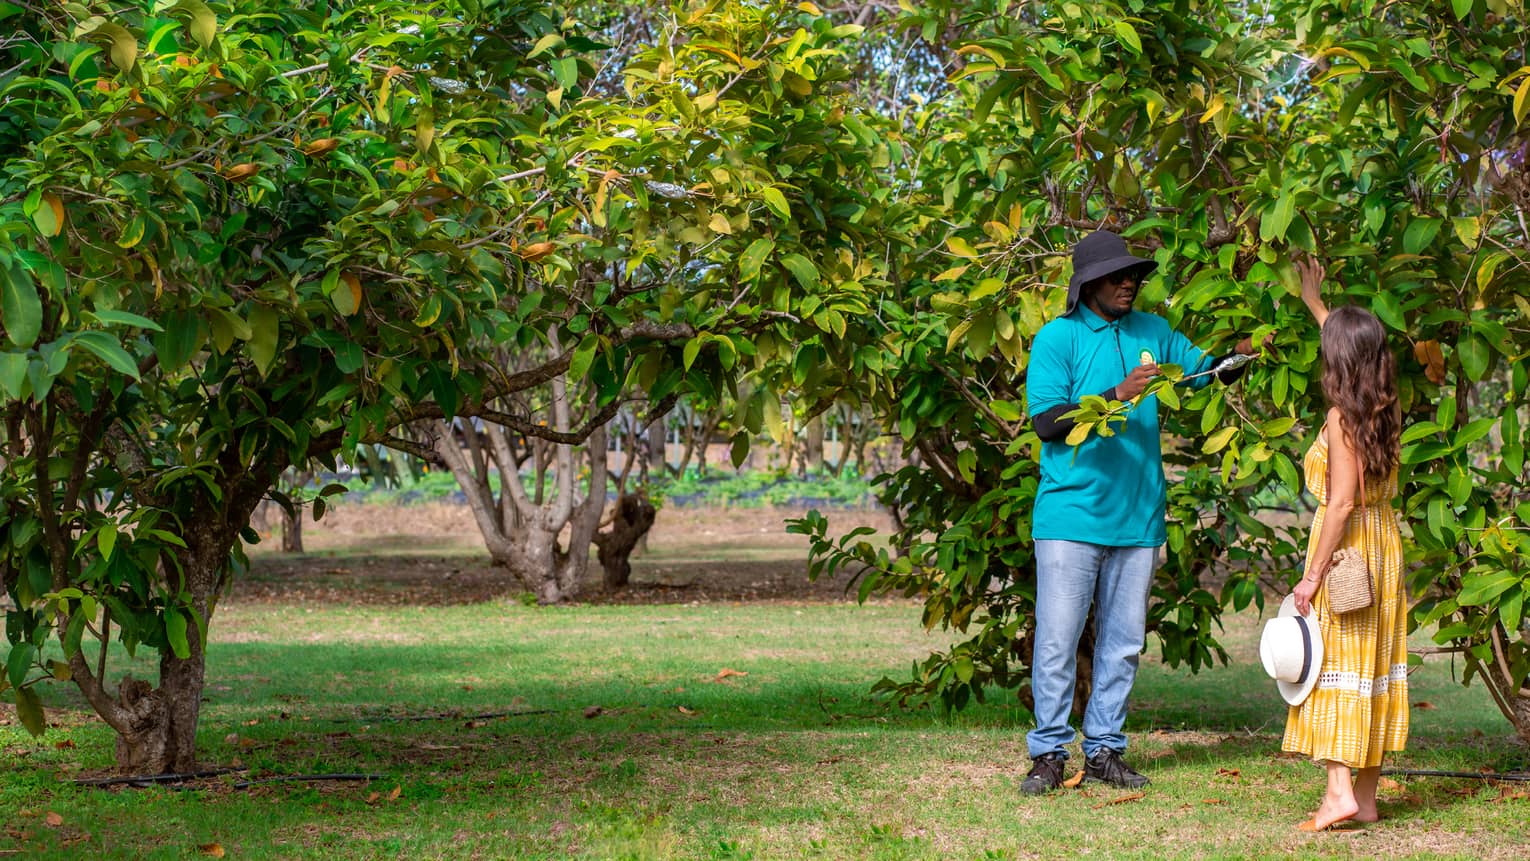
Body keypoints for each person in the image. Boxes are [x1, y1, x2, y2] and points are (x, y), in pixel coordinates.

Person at [1021, 229, 1266, 795]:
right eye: (1116, 275)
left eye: (1133, 274)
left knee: (1124, 642)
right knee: (1058, 640)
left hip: (1139, 518)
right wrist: (1120, 394)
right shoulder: (1056, 339)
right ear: (1087, 284)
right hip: (1070, 517)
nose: (1129, 281)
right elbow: (1047, 423)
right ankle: (1049, 755)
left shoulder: (1154, 332)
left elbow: (1208, 371)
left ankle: (1105, 749)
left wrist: (1249, 350)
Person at [1281, 256, 1407, 831]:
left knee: (1332, 664)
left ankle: (1337, 793)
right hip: (1383, 546)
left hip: (1348, 549)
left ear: (1338, 363)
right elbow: (1354, 344)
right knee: (1373, 665)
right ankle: (1367, 796)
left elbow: (1339, 503)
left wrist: (1312, 575)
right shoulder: (1384, 403)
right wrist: (1315, 300)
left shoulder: (1340, 418)